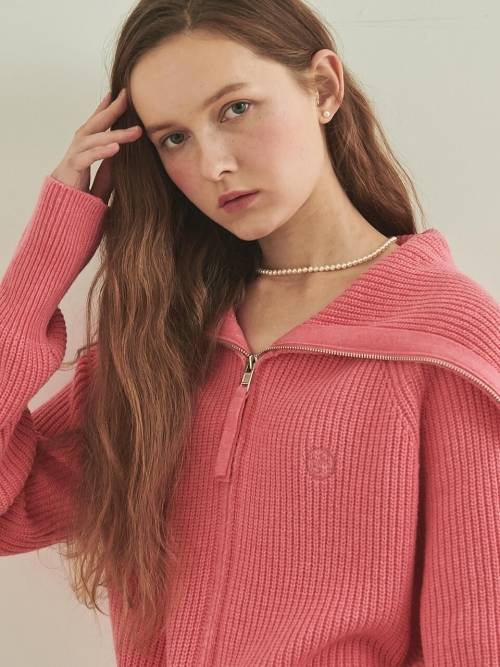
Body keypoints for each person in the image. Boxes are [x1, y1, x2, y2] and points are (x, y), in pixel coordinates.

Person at [1, 0, 499, 665]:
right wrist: (47, 257)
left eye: (235, 108)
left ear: (323, 88)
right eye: (174, 138)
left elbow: (477, 640)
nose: (213, 164)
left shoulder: (447, 340)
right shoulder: (164, 343)